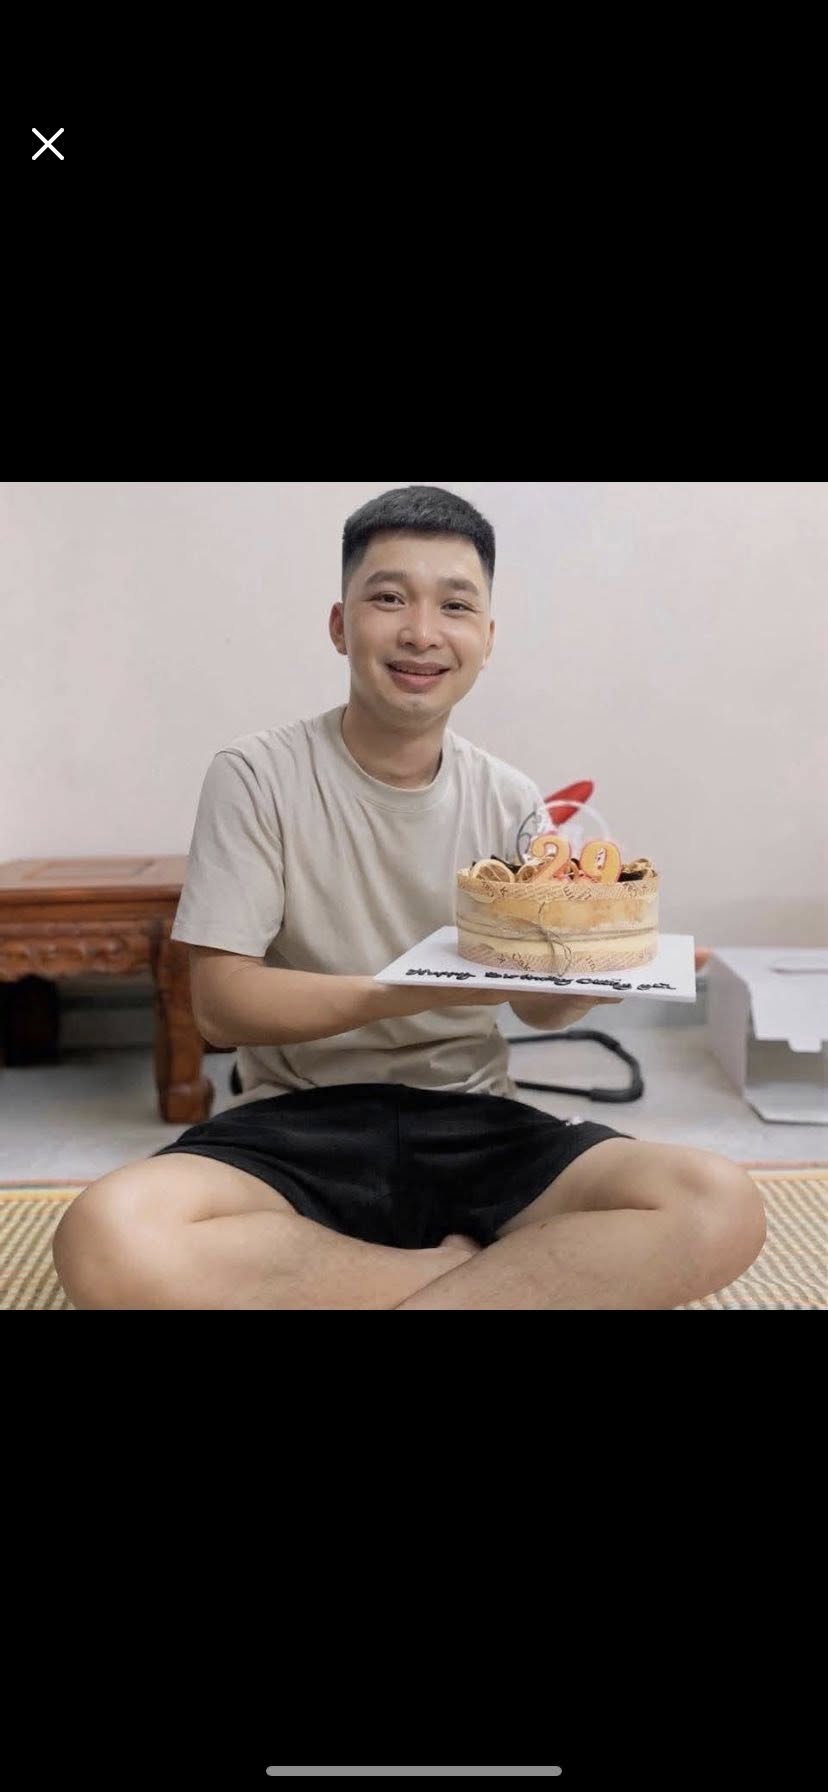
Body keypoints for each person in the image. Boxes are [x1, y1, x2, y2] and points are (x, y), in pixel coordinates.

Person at [53, 485, 765, 1308]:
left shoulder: (509, 798)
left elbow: (537, 1010)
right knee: (107, 1237)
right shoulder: (255, 775)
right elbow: (220, 1006)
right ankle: (472, 1277)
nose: (422, 631)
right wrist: (399, 992)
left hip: (476, 1124)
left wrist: (591, 977)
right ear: (339, 624)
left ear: (487, 638)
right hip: (296, 1127)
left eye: (455, 605)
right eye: (389, 598)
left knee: (720, 1203)